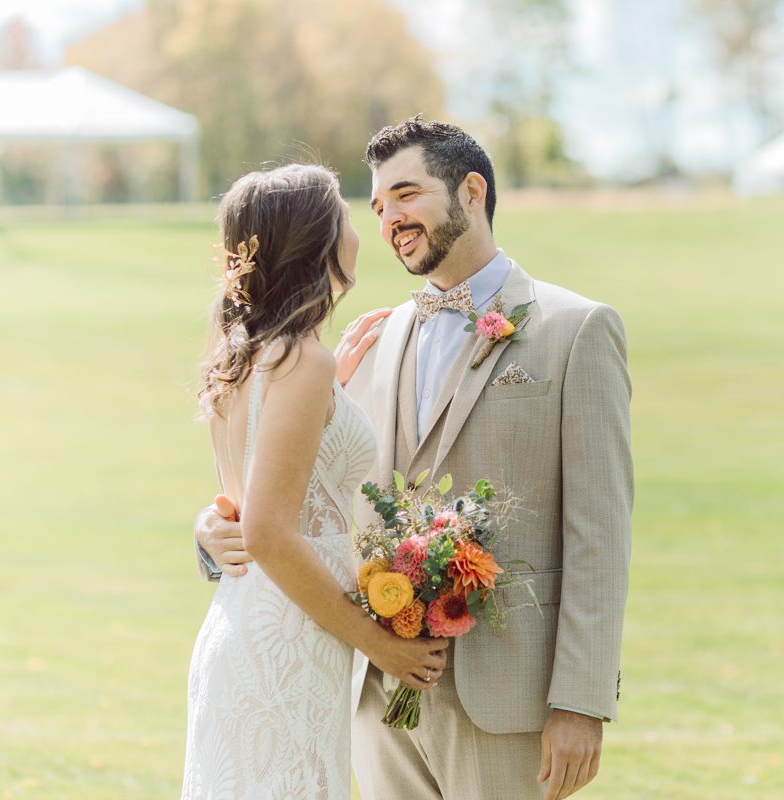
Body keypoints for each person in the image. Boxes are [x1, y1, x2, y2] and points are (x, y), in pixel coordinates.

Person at [196, 117, 633, 800]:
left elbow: (599, 532)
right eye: (374, 206)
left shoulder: (575, 330)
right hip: (371, 689)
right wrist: (212, 531)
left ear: (471, 191)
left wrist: (581, 701)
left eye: (406, 194)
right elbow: (293, 481)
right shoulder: (367, 340)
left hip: (506, 701)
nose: (388, 219)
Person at [182, 163, 447, 800]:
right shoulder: (300, 360)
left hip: (250, 623)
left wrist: (334, 389)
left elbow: (255, 486)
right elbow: (271, 533)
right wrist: (380, 645)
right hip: (288, 641)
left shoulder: (250, 349)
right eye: (351, 216)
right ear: (318, 240)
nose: (365, 227)